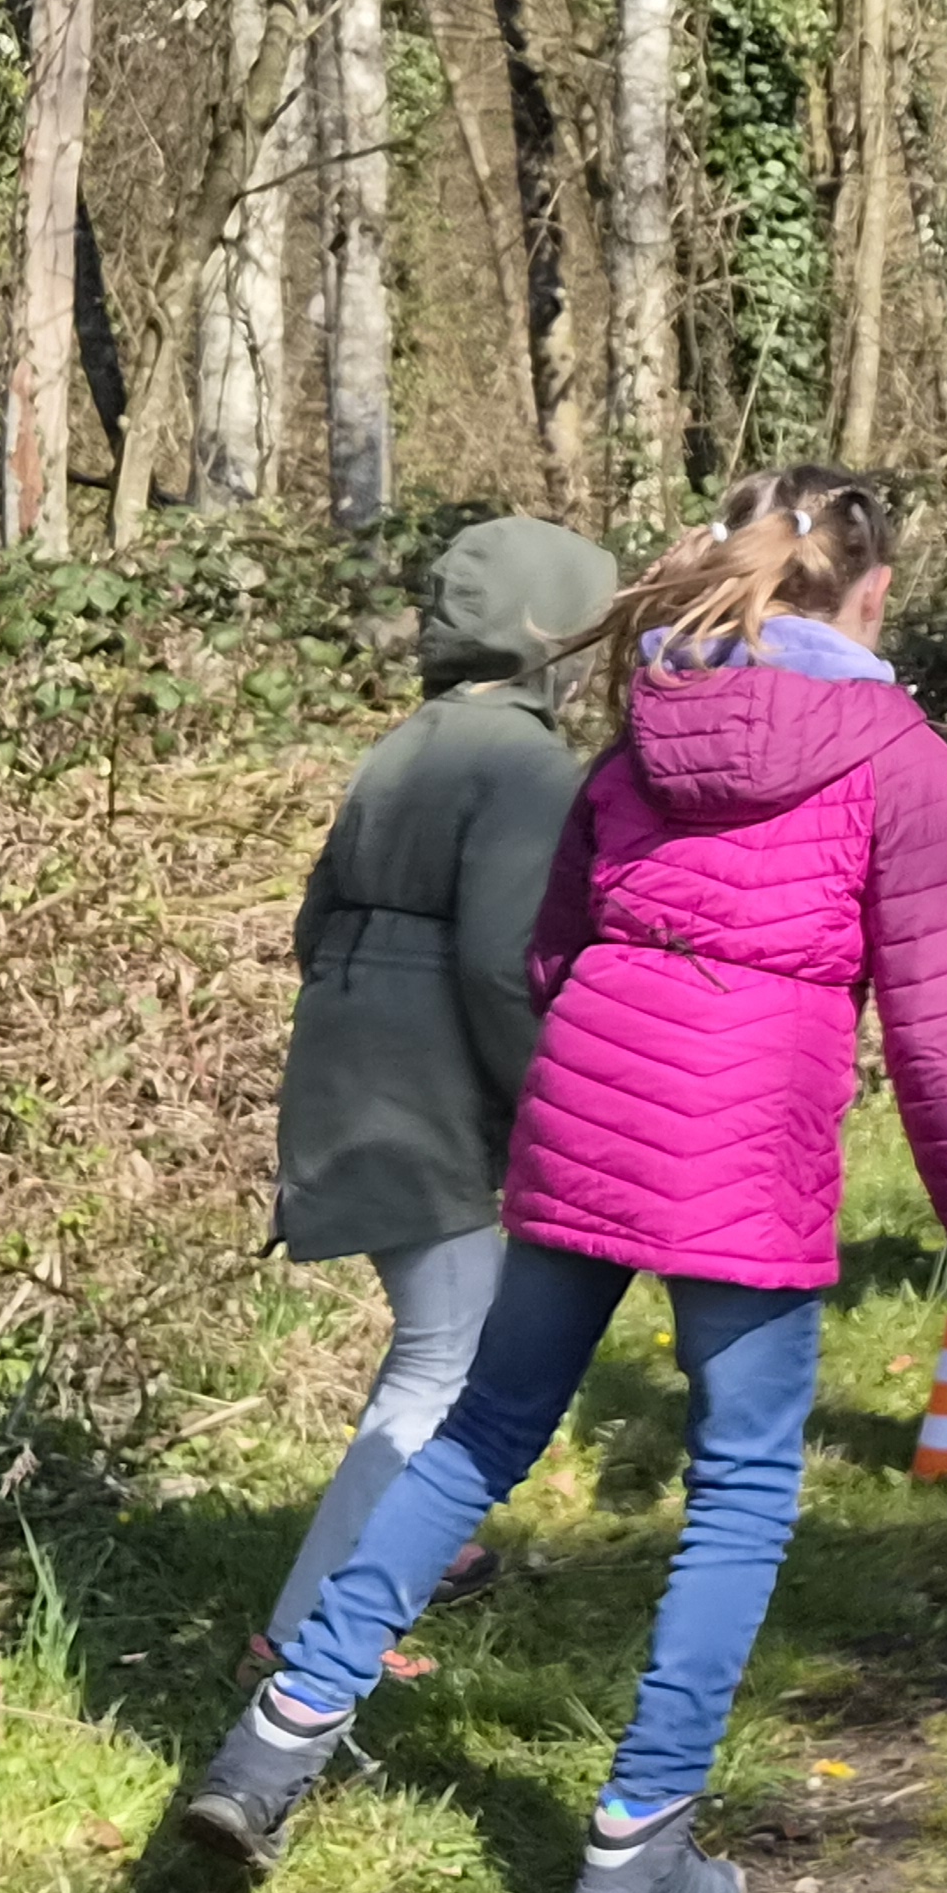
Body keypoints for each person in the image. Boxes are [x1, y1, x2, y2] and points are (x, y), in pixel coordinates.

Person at [183, 469, 947, 1893]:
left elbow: (552, 949)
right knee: (741, 1488)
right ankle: (634, 1857)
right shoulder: (900, 758)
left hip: (591, 1117)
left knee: (478, 1436)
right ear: (871, 594)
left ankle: (273, 1744)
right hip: (748, 1146)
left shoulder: (644, 727)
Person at [256, 514, 618, 1661]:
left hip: (346, 1069)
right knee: (445, 1354)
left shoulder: (405, 742)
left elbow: (314, 924)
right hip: (426, 1100)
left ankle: (424, 1544)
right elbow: (505, 966)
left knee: (451, 1331)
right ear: (553, 636)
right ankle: (309, 1635)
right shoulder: (527, 765)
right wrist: (552, 1107)